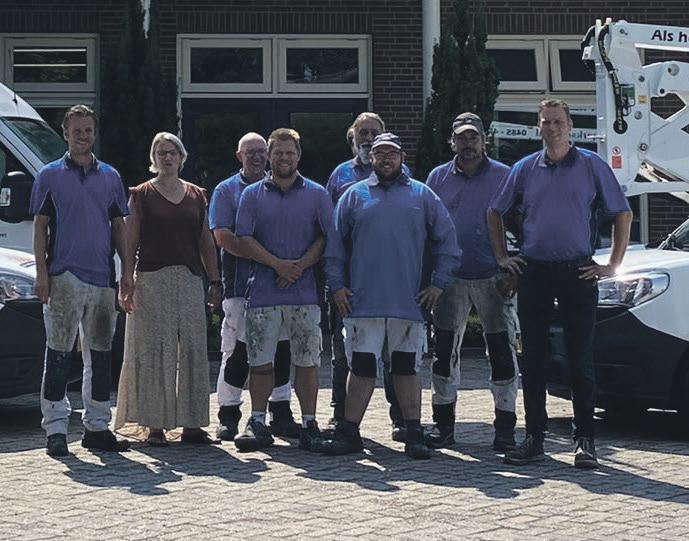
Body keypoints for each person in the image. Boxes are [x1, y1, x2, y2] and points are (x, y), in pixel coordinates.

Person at [487, 99, 633, 469]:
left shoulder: (591, 165)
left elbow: (622, 212)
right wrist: (503, 257)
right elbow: (494, 211)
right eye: (545, 122)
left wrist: (613, 264)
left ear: (570, 126)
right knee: (533, 360)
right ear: (539, 127)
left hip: (577, 273)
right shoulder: (524, 168)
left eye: (558, 122)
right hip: (534, 272)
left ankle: (585, 441)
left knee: (580, 360)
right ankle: (534, 438)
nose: (552, 128)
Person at [322, 133, 461, 459]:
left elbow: (448, 243)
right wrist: (336, 286)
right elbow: (334, 247)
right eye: (379, 153)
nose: (385, 159)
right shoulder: (353, 196)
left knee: (406, 369)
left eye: (392, 153)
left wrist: (438, 284)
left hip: (408, 304)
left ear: (402, 157)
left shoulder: (423, 195)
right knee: (361, 369)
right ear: (370, 158)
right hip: (362, 304)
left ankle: (413, 432)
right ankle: (349, 432)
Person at [31, 104, 131, 457]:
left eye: (88, 130)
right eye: (77, 131)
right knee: (58, 353)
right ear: (65, 133)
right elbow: (40, 226)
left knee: (100, 356)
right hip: (63, 277)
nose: (83, 137)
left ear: (94, 133)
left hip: (102, 278)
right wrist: (42, 274)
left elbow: (119, 226)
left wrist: (127, 273)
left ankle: (97, 426)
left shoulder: (111, 177)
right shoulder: (49, 176)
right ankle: (56, 428)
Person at [115, 132, 221, 446]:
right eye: (161, 152)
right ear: (154, 158)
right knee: (153, 349)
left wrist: (215, 281)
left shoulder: (196, 195)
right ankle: (154, 425)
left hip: (189, 279)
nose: (167, 157)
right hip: (151, 279)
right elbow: (130, 240)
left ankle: (192, 424)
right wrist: (127, 279)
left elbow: (206, 241)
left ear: (181, 157)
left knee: (192, 348)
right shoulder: (141, 194)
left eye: (172, 152)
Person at [233, 128, 333, 452]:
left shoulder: (317, 194)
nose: (284, 158)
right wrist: (278, 265)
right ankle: (258, 421)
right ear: (269, 156)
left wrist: (298, 267)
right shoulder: (251, 195)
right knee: (260, 362)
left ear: (298, 156)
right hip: (263, 293)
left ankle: (309, 424)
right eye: (278, 153)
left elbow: (325, 237)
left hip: (304, 294)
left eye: (290, 152)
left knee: (307, 361)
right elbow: (244, 238)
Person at [425, 112, 520, 451]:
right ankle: (443, 425)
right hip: (450, 278)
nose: (468, 143)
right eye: (461, 138)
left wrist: (515, 269)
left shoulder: (505, 175)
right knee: (444, 353)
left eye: (473, 137)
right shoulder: (437, 177)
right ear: (452, 141)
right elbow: (428, 228)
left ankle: (505, 427)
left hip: (494, 277)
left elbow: (522, 221)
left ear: (484, 140)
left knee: (502, 353)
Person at [209, 132, 301, 441]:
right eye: (250, 152)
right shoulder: (226, 190)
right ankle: (228, 414)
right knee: (236, 351)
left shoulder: (283, 188)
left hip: (280, 286)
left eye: (262, 151)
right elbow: (223, 237)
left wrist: (281, 266)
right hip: (240, 286)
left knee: (282, 350)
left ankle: (281, 412)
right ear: (239, 156)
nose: (258, 157)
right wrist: (270, 260)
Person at [324, 112, 409, 441]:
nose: (368, 137)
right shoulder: (340, 175)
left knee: (393, 353)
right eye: (363, 133)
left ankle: (401, 418)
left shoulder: (403, 177)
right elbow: (330, 228)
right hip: (349, 283)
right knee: (343, 353)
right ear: (353, 137)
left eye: (374, 132)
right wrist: (335, 281)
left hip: (391, 283)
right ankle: (341, 416)